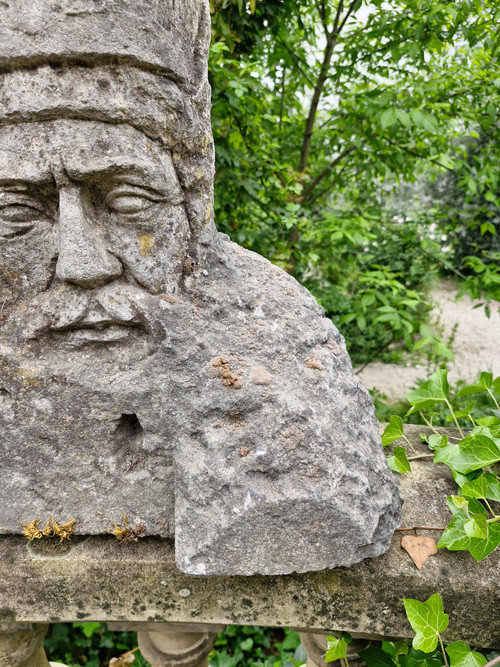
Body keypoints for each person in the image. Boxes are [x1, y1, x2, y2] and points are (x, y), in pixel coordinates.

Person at [0, 0, 401, 575]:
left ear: (192, 211)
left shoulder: (277, 350)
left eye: (129, 201)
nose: (82, 266)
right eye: (14, 213)